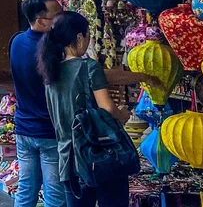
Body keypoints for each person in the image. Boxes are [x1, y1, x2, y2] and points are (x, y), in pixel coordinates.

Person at [39, 11, 137, 207]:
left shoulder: (50, 70)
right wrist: (122, 115)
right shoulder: (89, 67)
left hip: (68, 158)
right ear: (79, 37)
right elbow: (107, 108)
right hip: (99, 156)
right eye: (88, 35)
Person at [10, 0, 64, 207]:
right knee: (55, 194)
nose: (62, 20)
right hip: (47, 131)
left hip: (24, 127)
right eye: (57, 16)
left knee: (26, 189)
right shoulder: (50, 50)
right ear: (42, 21)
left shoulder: (17, 41)